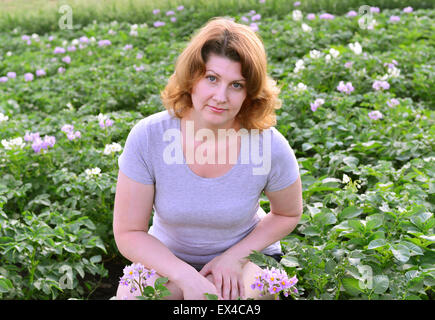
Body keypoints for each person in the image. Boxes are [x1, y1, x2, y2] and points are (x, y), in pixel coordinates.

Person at [113, 17, 302, 300]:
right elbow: (129, 231)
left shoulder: (268, 144)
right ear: (192, 77)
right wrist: (184, 275)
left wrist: (236, 257)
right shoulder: (149, 136)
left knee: (231, 301)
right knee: (135, 297)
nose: (220, 97)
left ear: (249, 92)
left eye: (236, 85)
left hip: (245, 260)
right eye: (211, 78)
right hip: (168, 258)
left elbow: (288, 212)